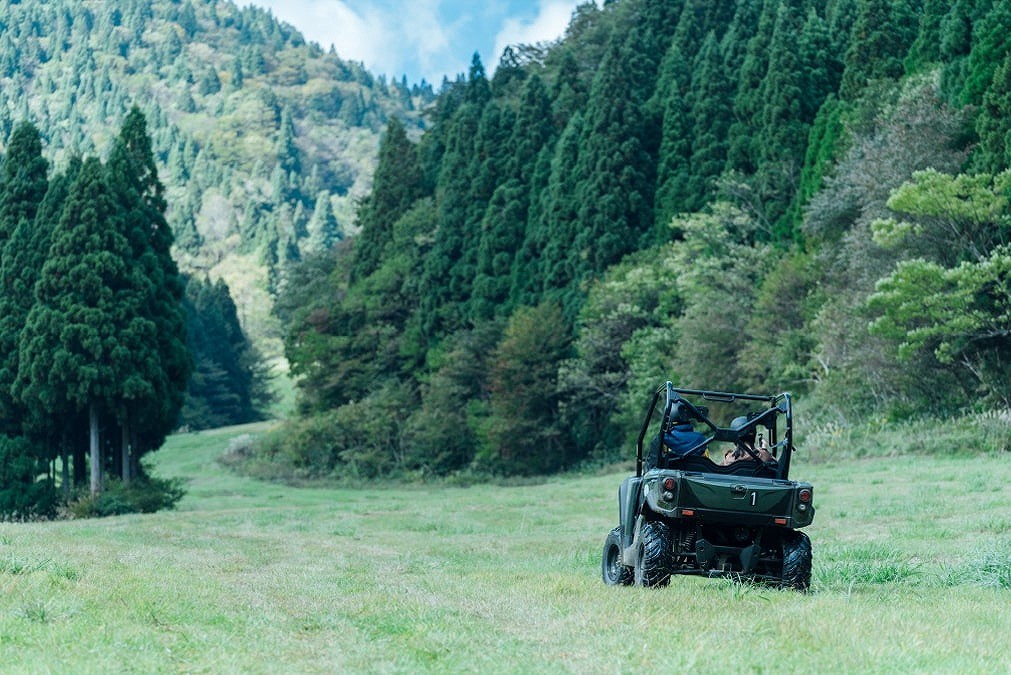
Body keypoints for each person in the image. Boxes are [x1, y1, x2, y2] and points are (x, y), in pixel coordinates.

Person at [646, 401, 707, 469]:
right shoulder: (701, 439)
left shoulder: (663, 438)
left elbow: (651, 466)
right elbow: (706, 462)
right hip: (696, 476)